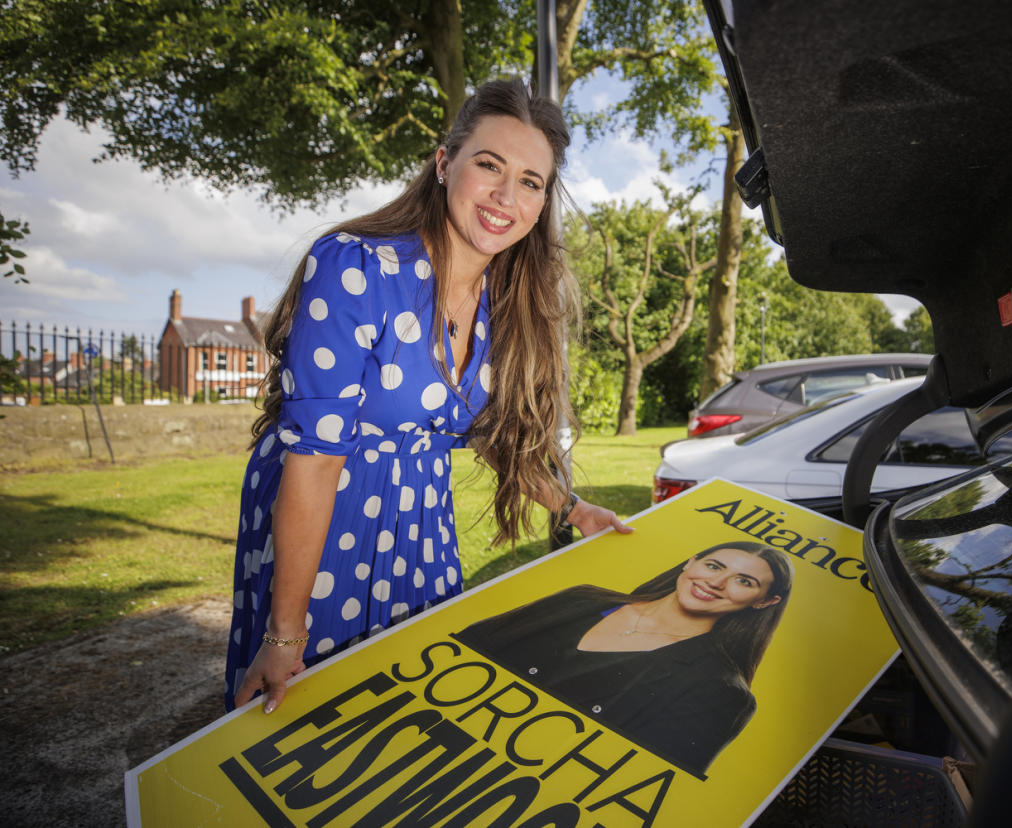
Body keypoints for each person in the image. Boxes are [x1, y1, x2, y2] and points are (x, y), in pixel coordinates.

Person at [227, 79, 630, 714]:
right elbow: (315, 459)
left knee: (411, 722)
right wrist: (285, 631)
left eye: (530, 181)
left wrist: (571, 507)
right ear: (445, 164)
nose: (506, 196)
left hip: (422, 533)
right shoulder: (353, 267)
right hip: (328, 527)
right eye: (489, 165)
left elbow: (488, 439)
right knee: (307, 728)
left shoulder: (507, 307)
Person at [455, 541, 793, 776]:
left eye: (744, 582)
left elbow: (627, 785)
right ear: (691, 562)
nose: (716, 582)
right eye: (713, 565)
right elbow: (461, 648)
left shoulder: (722, 692)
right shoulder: (581, 598)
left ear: (763, 601)